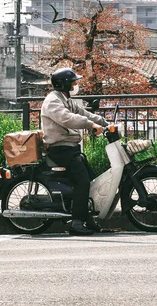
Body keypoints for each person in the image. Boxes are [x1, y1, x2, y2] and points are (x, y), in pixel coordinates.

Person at [41, 67, 108, 236]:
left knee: (91, 179)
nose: (75, 85)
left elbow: (83, 113)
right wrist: (91, 126)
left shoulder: (66, 99)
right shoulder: (53, 101)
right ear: (63, 83)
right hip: (60, 149)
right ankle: (76, 223)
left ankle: (87, 217)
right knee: (82, 181)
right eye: (73, 82)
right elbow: (67, 118)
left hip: (70, 148)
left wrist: (104, 122)